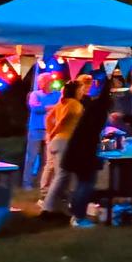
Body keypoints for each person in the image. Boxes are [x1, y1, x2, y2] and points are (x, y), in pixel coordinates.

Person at [61, 81, 112, 228]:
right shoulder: (98, 112)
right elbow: (92, 134)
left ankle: (76, 215)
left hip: (79, 152)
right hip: (83, 154)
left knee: (82, 184)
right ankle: (79, 217)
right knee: (86, 184)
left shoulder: (92, 109)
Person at [40, 82, 84, 216]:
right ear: (75, 91)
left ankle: (59, 207)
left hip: (57, 141)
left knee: (62, 176)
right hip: (64, 141)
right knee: (62, 175)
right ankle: (48, 207)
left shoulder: (62, 103)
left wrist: (50, 133)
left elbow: (48, 117)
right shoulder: (75, 104)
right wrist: (53, 132)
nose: (82, 92)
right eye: (81, 90)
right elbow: (64, 120)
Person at [23, 72, 61, 189]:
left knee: (48, 160)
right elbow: (35, 108)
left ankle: (43, 184)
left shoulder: (57, 94)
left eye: (44, 81)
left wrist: (47, 107)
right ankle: (27, 184)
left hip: (51, 130)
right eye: (40, 82)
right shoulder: (35, 94)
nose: (41, 84)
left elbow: (60, 107)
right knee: (31, 157)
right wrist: (51, 107)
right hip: (35, 129)